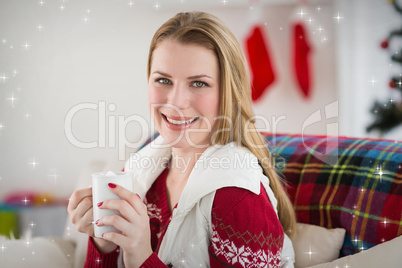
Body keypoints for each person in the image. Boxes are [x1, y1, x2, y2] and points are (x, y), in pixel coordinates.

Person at [67, 11, 296, 268]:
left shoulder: (238, 198)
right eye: (163, 80)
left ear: (228, 94)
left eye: (198, 83)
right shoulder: (142, 170)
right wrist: (104, 244)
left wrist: (142, 256)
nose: (175, 102)